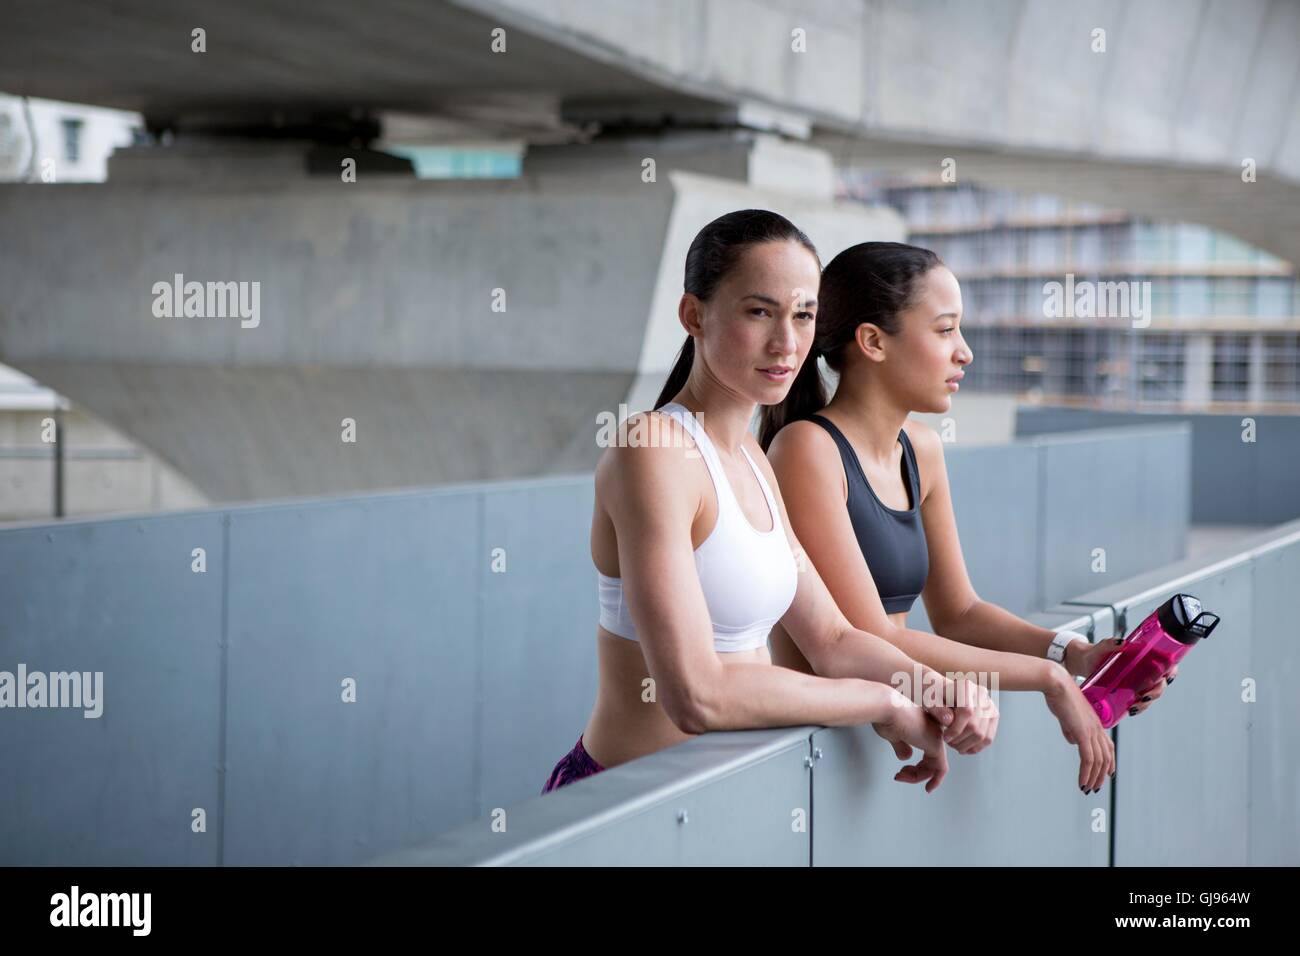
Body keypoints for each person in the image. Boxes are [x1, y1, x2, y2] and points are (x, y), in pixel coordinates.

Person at [542, 213, 998, 795]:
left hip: (725, 806)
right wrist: (879, 701)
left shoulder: (756, 461)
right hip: (625, 809)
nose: (787, 342)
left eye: (803, 315)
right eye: (759, 312)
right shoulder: (652, 451)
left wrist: (937, 688)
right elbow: (695, 694)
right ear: (694, 315)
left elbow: (831, 639)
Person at [759, 242, 1174, 795]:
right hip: (813, 753)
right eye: (945, 330)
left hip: (895, 737)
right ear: (873, 341)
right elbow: (869, 636)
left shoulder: (921, 451)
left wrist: (1074, 654)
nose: (965, 353)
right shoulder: (806, 449)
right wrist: (1048, 680)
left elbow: (959, 611)